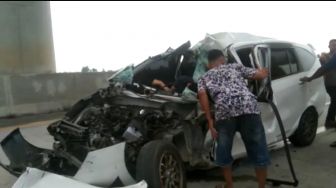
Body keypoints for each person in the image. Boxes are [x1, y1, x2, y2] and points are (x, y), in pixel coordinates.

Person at [197, 49, 270, 188]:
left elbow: (202, 96)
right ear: (222, 59)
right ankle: (261, 186)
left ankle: (229, 185)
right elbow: (260, 75)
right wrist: (265, 70)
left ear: (209, 63)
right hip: (248, 108)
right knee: (258, 149)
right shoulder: (235, 66)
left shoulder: (204, 77)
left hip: (225, 112)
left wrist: (210, 122)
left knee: (223, 150)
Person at [300, 39, 336, 146]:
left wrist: (311, 78)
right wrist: (311, 77)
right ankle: (330, 120)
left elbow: (324, 68)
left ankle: (330, 120)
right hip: (330, 84)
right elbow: (324, 68)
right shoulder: (326, 56)